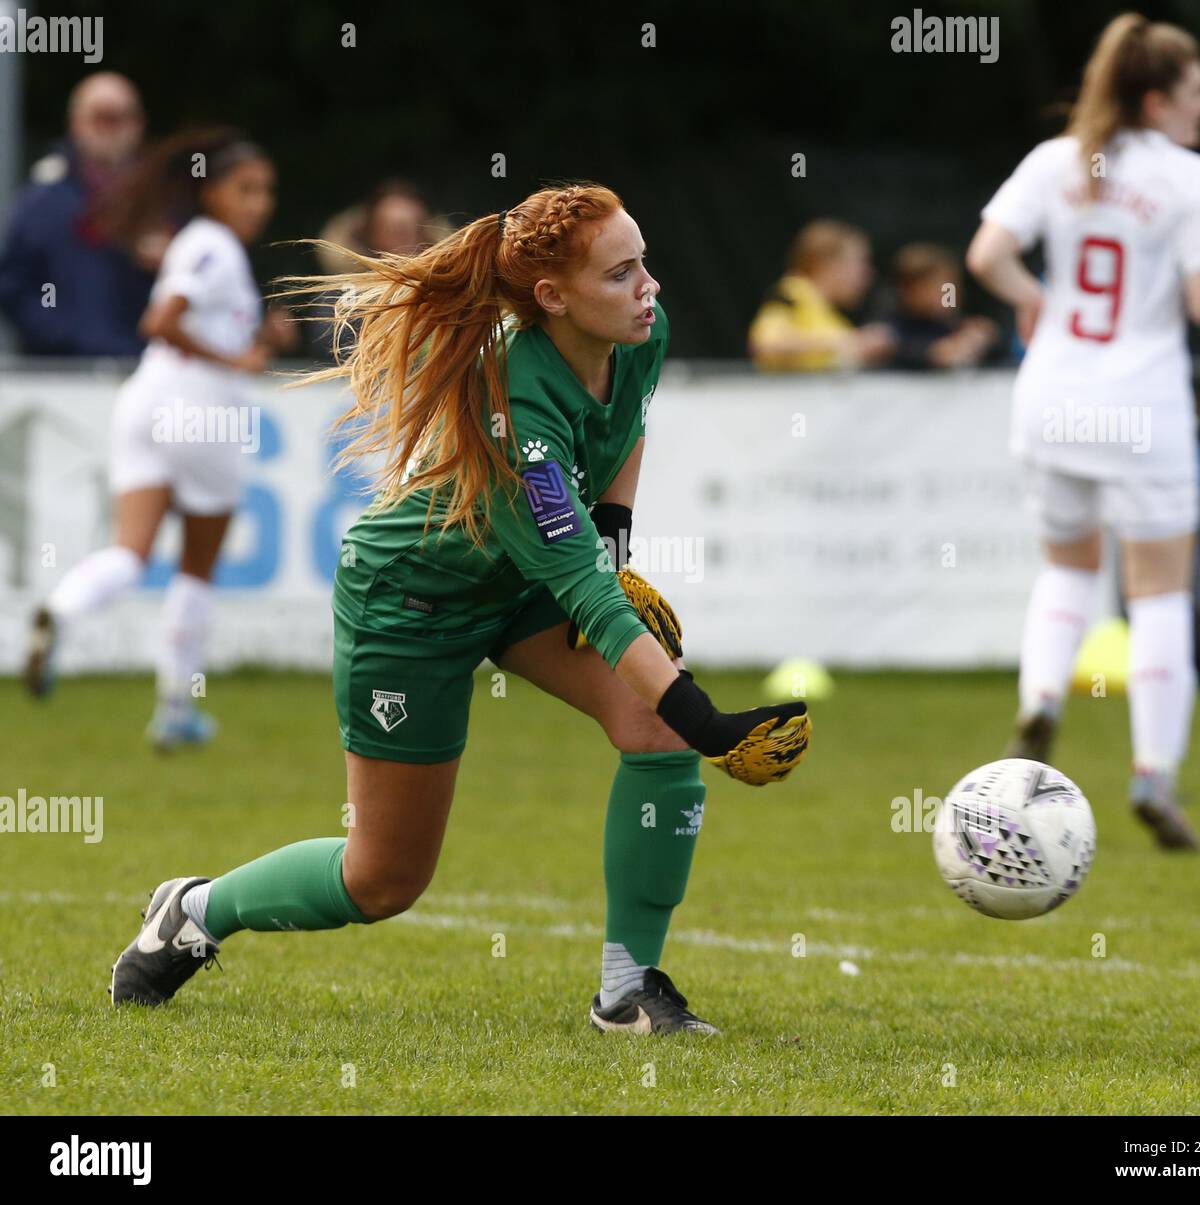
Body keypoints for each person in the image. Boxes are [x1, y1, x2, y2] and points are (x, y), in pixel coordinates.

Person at [109, 183, 812, 1034]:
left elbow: (627, 427)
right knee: (382, 882)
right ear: (552, 298)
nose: (650, 287)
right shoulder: (514, 404)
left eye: (645, 263)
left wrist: (617, 535)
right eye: (622, 273)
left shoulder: (640, 332)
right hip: (410, 600)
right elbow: (589, 596)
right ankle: (196, 909)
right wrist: (711, 720)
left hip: (514, 586)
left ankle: (627, 992)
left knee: (654, 734)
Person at [966, 13, 1200, 851]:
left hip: (1051, 396)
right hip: (1142, 407)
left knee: (1067, 569)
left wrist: (1036, 299)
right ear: (1157, 98)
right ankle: (1154, 770)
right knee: (1157, 592)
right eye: (1198, 91)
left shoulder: (1057, 160)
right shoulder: (1191, 177)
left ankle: (1044, 696)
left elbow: (986, 256)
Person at [24, 130, 294, 748]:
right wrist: (236, 363)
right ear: (212, 192)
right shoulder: (215, 245)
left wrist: (258, 344)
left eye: (265, 191)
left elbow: (190, 327)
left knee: (130, 551)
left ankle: (60, 610)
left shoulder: (191, 246)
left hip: (144, 404)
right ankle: (175, 707)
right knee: (197, 566)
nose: (258, 203)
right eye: (245, 189)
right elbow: (163, 321)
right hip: (203, 412)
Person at [0, 72, 156, 356]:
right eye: (101, 117)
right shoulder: (41, 202)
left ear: (139, 123)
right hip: (60, 374)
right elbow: (13, 287)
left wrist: (169, 261)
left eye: (122, 117)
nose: (112, 128)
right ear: (76, 124)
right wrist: (62, 337)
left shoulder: (163, 200)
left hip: (145, 370)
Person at [308, 179, 452, 360]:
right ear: (371, 234)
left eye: (411, 231)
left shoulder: (447, 293)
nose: (403, 243)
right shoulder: (342, 291)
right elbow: (325, 343)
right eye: (392, 230)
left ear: (427, 236)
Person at [748, 219, 895, 371]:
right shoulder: (792, 292)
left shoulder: (829, 314)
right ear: (828, 262)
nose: (868, 274)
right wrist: (846, 341)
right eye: (860, 262)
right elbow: (766, 343)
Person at [886, 243, 999, 370]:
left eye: (953, 286)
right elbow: (896, 347)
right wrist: (931, 353)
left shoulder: (955, 325)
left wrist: (982, 340)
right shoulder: (892, 327)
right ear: (911, 290)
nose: (950, 295)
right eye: (941, 288)